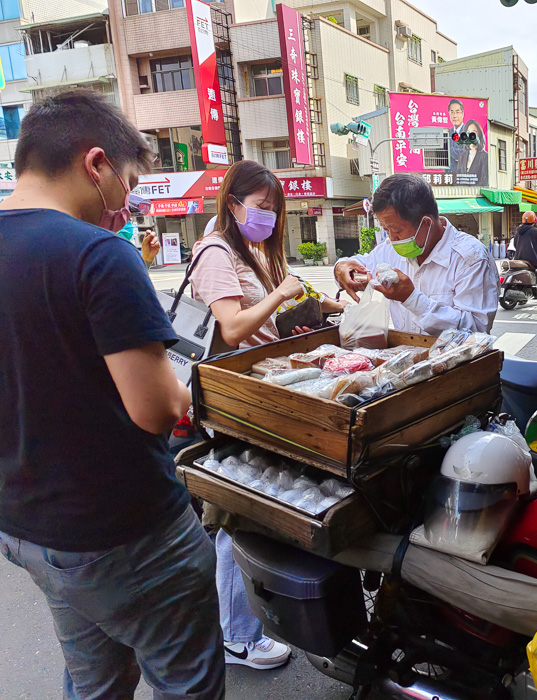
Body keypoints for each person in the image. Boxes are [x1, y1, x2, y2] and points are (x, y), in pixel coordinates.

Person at [0, 90, 225, 698]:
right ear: (95, 163)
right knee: (186, 682)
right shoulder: (99, 254)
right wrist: (181, 390)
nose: (127, 205)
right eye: (127, 182)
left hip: (27, 527)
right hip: (124, 531)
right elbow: (156, 409)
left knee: (94, 681)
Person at [189, 159, 347, 670]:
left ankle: (238, 625)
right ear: (232, 205)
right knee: (242, 515)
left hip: (266, 388)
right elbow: (233, 329)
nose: (270, 217)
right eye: (261, 207)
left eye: (275, 209)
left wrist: (317, 311)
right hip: (234, 398)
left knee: (252, 510)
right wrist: (281, 293)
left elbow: (269, 325)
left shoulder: (252, 251)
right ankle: (236, 635)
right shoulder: (215, 251)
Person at [334, 173, 498, 335]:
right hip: (408, 356)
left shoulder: (470, 258)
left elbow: (476, 329)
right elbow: (357, 264)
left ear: (426, 223)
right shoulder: (390, 249)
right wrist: (341, 268)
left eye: (397, 231)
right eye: (386, 230)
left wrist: (411, 299)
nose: (391, 238)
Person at [455, 119, 488, 187]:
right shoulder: (462, 156)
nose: (470, 136)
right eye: (468, 132)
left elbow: (484, 180)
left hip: (477, 194)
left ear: (479, 135)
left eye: (473, 132)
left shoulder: (485, 156)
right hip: (462, 193)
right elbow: (457, 178)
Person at [447, 98, 467, 171]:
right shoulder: (447, 133)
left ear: (462, 114)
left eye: (457, 112)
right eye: (452, 112)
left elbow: (466, 153)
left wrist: (449, 150)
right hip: (448, 176)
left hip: (464, 175)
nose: (454, 116)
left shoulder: (468, 132)